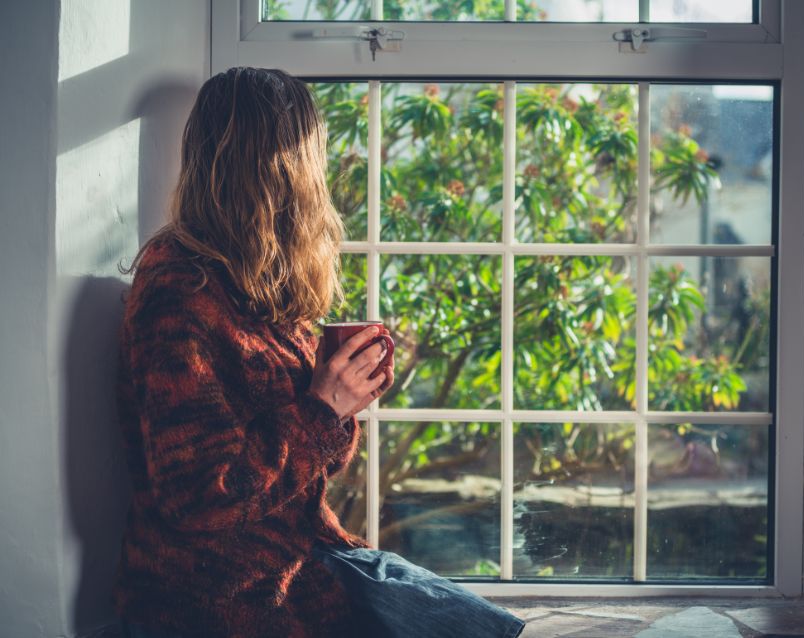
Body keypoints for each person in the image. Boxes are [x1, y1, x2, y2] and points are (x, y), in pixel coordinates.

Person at [113, 66, 525, 638]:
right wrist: (322, 409)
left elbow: (316, 462)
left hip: (302, 563)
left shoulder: (258, 286)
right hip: (215, 599)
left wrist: (341, 395)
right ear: (286, 164)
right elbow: (198, 498)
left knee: (488, 628)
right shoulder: (180, 288)